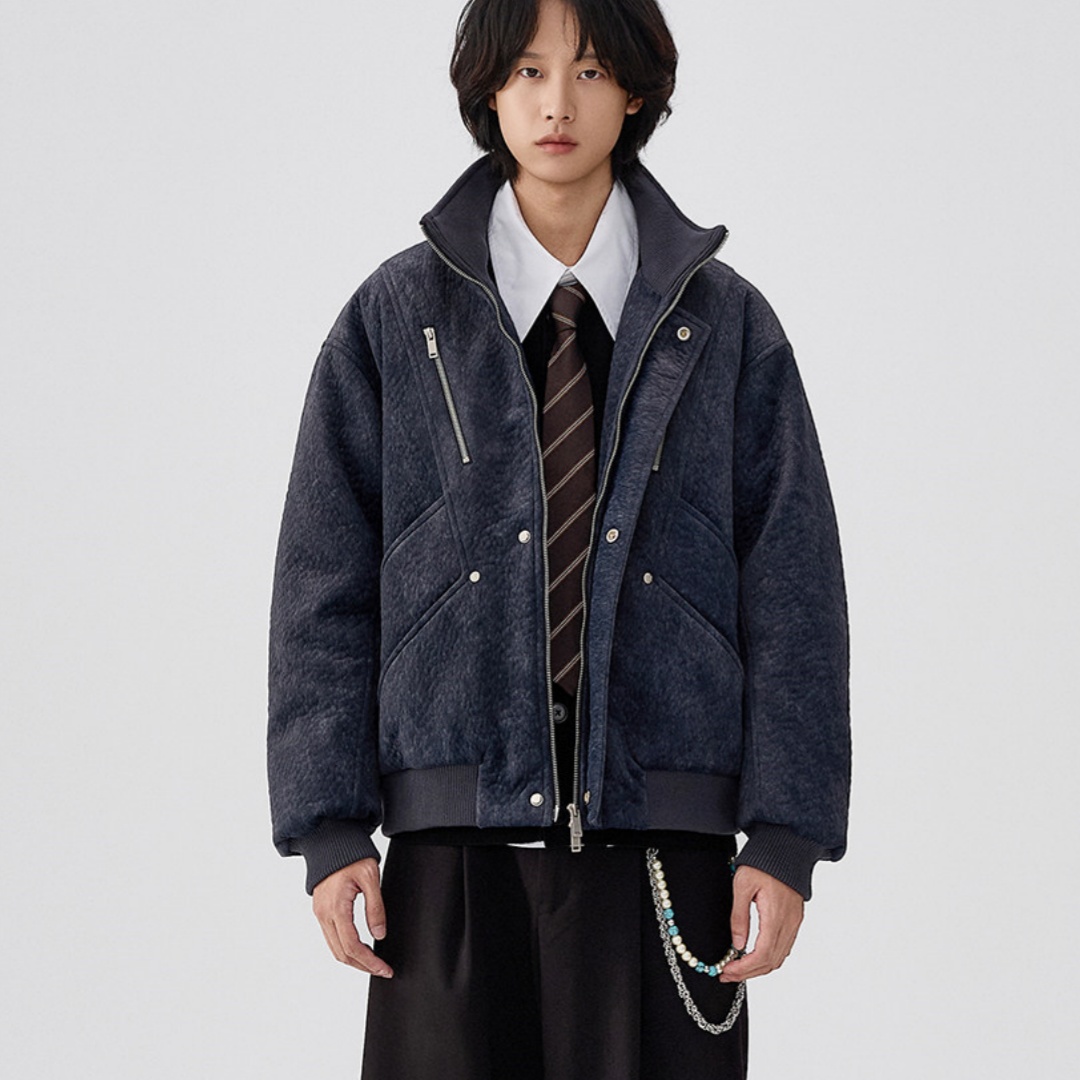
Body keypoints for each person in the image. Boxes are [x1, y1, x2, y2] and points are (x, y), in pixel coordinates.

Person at [266, 0, 851, 1076]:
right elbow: (324, 585)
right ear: (489, 90)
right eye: (529, 71)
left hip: (666, 853)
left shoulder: (727, 327)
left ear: (635, 91)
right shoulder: (395, 318)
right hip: (448, 858)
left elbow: (794, 591)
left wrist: (785, 834)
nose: (556, 104)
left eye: (588, 71)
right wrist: (330, 824)